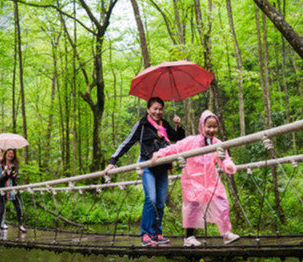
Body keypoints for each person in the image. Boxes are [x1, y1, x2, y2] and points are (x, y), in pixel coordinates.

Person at [103, 97, 185, 247]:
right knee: (151, 199)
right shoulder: (142, 124)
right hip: (147, 165)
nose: (158, 112)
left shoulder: (165, 124)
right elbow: (126, 143)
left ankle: (157, 234)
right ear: (148, 109)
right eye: (155, 108)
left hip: (163, 166)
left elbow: (179, 139)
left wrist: (178, 125)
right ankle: (146, 234)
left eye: (160, 109)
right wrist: (112, 162)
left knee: (160, 202)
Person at [151, 110, 240, 247]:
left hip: (210, 180)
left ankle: (226, 233)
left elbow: (224, 159)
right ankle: (189, 237)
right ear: (202, 126)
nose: (212, 130)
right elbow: (175, 148)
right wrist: (160, 153)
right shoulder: (191, 141)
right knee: (192, 208)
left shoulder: (217, 143)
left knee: (222, 203)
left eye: (214, 126)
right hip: (192, 180)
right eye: (208, 126)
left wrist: (228, 165)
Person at [0, 149, 26, 235]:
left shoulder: (15, 166)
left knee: (18, 208)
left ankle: (21, 225)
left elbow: (16, 177)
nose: (10, 155)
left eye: (12, 154)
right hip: (2, 189)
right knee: (1, 209)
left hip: (12, 189)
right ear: (6, 154)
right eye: (9, 153)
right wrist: (4, 171)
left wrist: (16, 175)